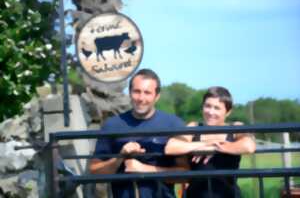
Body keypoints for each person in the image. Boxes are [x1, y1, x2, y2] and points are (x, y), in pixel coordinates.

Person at [89, 68, 187, 198]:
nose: (141, 98)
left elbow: (185, 174)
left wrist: (144, 170)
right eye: (137, 91)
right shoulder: (111, 125)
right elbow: (95, 171)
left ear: (157, 96)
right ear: (129, 92)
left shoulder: (174, 124)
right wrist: (120, 157)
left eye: (147, 93)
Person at [165, 86, 256, 198]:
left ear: (228, 112)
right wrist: (205, 145)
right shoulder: (194, 126)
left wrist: (215, 147)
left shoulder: (235, 127)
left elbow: (249, 146)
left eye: (217, 108)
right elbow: (171, 147)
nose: (211, 112)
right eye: (207, 106)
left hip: (228, 195)